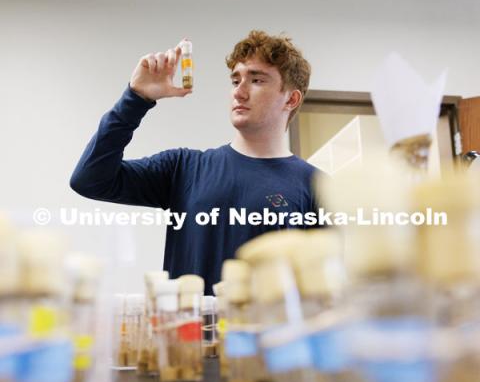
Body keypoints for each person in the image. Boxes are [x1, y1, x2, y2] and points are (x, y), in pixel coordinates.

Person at [70, 30, 320, 294]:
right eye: (235, 81)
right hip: (187, 333)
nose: (239, 92)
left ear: (291, 99)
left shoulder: (315, 185)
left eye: (256, 80)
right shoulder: (184, 167)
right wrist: (136, 99)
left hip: (268, 334)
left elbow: (322, 288)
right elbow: (89, 180)